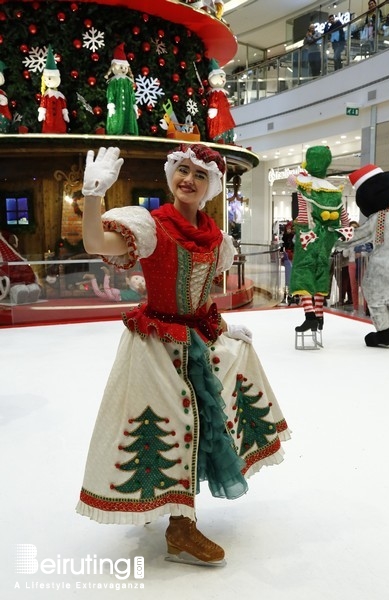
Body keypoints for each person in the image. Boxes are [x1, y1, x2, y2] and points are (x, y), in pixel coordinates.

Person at [76, 144, 290, 566]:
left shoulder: (215, 238)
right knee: (173, 428)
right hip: (156, 346)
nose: (188, 179)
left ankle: (177, 521)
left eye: (199, 174)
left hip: (198, 338)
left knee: (205, 423)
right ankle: (180, 528)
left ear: (211, 186)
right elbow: (94, 241)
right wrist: (92, 196)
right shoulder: (152, 227)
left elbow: (203, 298)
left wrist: (226, 327)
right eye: (182, 170)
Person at [287, 146, 352, 334]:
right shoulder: (334, 190)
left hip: (308, 236)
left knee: (303, 273)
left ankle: (310, 317)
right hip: (327, 239)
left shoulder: (303, 184)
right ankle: (320, 316)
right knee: (321, 274)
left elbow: (302, 215)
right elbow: (345, 220)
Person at [338, 163, 389, 347]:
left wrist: (330, 237)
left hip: (383, 265)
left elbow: (355, 236)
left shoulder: (379, 217)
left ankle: (384, 333)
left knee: (374, 295)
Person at [105, 43, 139, 136]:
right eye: (121, 67)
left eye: (125, 67)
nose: (123, 69)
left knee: (128, 117)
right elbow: (110, 93)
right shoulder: (113, 82)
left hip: (128, 106)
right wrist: (111, 104)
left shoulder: (128, 82)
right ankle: (117, 131)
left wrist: (134, 105)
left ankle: (128, 131)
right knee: (117, 118)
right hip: (117, 106)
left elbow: (132, 94)